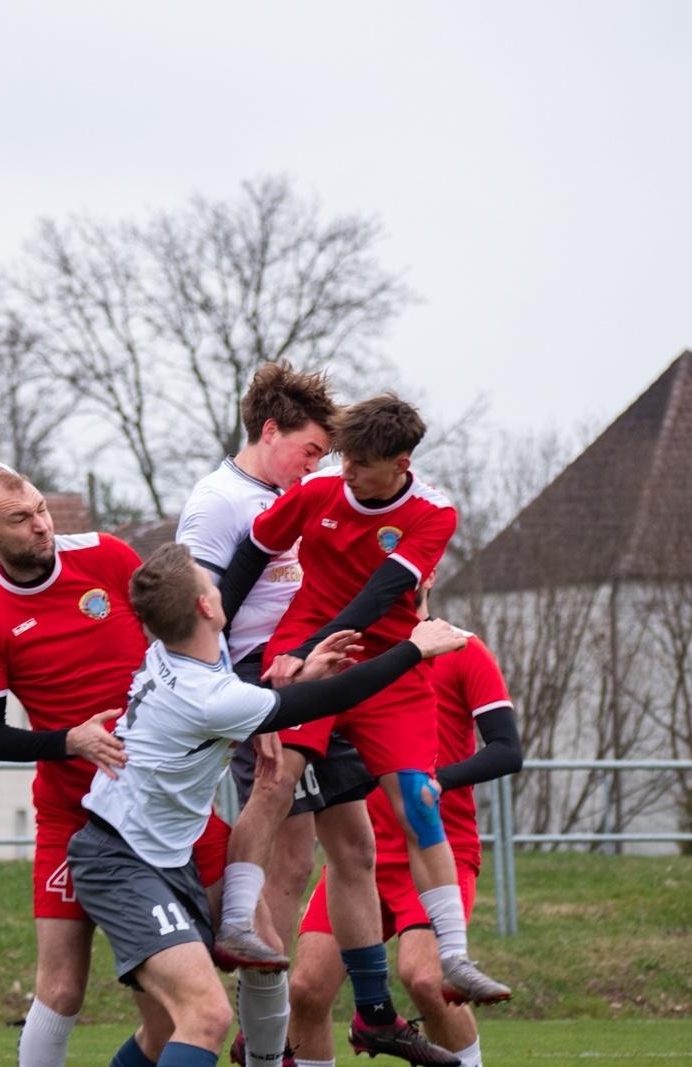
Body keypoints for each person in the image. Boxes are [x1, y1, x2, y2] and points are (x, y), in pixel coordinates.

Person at [67, 543, 469, 1067]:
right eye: (208, 582)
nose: (219, 584)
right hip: (119, 859)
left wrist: (297, 678)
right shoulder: (207, 693)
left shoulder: (183, 651)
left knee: (249, 963)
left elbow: (260, 700)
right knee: (206, 1016)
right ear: (205, 608)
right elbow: (323, 702)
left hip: (167, 847)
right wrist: (413, 649)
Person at [217, 393, 511, 1028]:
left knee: (417, 802)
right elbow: (252, 554)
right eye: (342, 457)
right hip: (308, 660)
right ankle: (237, 921)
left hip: (388, 671)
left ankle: (454, 955)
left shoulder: (433, 511)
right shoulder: (317, 492)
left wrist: (305, 648)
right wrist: (218, 648)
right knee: (276, 778)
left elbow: (382, 594)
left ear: (400, 463)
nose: (344, 471)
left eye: (360, 463)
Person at [0, 462, 228, 1067]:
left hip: (164, 802)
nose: (41, 526)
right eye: (20, 519)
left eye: (41, 509)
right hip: (74, 818)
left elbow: (182, 625)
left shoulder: (105, 556)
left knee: (234, 958)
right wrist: (67, 742)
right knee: (61, 988)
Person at [173, 361, 375, 1067]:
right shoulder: (219, 500)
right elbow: (191, 618)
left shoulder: (299, 495)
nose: (315, 467)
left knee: (355, 846)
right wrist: (245, 708)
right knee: (290, 859)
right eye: (311, 451)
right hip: (262, 679)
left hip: (315, 674)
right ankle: (269, 1036)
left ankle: (357, 1009)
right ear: (269, 430)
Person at [286, 574, 523, 1067]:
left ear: (427, 574)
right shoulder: (345, 656)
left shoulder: (462, 649)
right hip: (360, 859)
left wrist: (434, 780)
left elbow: (506, 749)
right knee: (306, 988)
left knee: (425, 978)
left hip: (438, 850)